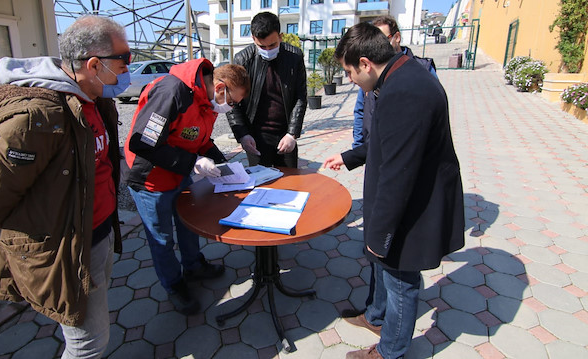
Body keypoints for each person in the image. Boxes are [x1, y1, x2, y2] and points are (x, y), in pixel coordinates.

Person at [0, 15, 129, 358]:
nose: (129, 68)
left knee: (93, 323)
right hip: (68, 250)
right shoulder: (40, 117)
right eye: (124, 59)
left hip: (98, 236)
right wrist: (42, 232)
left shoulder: (96, 99)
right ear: (95, 64)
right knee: (88, 345)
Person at [323, 22, 464, 359]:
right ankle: (376, 317)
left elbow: (398, 175)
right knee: (389, 275)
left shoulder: (404, 91)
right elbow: (384, 142)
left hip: (411, 207)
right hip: (409, 198)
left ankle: (391, 351)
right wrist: (348, 156)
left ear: (366, 64)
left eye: (350, 72)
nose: (350, 81)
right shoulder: (401, 75)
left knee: (400, 281)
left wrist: (379, 234)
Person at [124, 59, 250, 315]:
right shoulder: (172, 92)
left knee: (188, 222)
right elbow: (143, 143)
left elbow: (200, 138)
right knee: (161, 238)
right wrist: (193, 161)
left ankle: (193, 266)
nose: (232, 107)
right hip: (151, 178)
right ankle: (174, 284)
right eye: (233, 101)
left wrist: (224, 165)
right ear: (220, 88)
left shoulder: (207, 100)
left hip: (178, 170)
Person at [226, 11, 307, 168]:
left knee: (289, 184)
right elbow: (232, 102)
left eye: (273, 45)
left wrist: (292, 133)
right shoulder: (243, 60)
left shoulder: (294, 57)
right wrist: (242, 134)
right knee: (260, 185)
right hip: (256, 137)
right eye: (262, 46)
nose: (268, 50)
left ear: (281, 37)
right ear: (253, 39)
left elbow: (300, 96)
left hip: (285, 133)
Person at [352, 15, 437, 149]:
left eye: (383, 40)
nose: (377, 47)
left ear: (396, 37)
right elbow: (360, 111)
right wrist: (358, 149)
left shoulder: (422, 69)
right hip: (374, 149)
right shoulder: (371, 71)